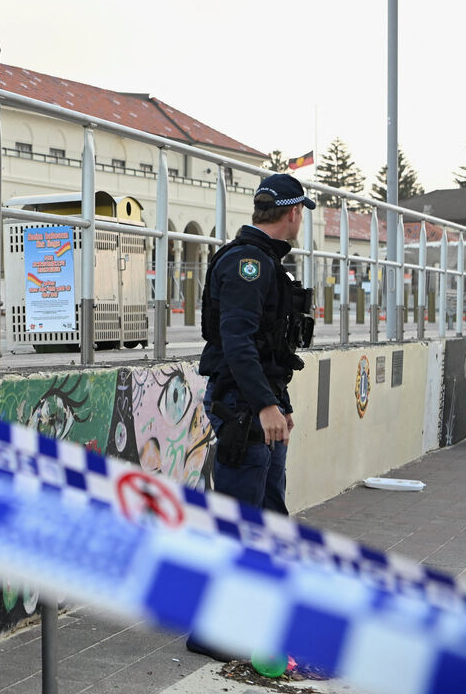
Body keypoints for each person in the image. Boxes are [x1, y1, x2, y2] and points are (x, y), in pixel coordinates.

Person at [187, 173, 316, 661]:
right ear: (293, 213)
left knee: (269, 517)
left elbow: (262, 348)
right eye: (300, 212)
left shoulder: (263, 262)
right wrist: (265, 406)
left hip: (262, 408)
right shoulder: (247, 264)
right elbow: (237, 343)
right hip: (244, 411)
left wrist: (277, 405)